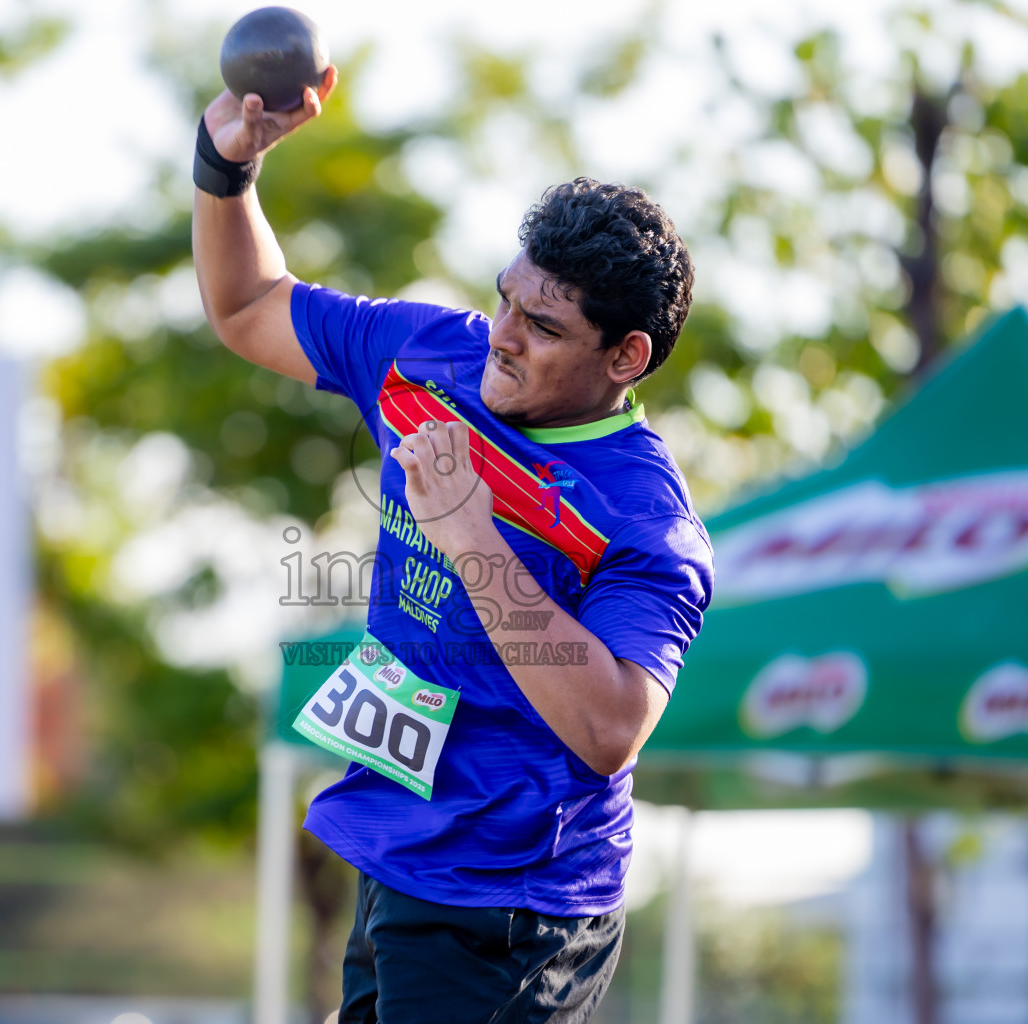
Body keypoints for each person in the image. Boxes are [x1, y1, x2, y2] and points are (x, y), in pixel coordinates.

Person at [193, 69, 714, 1024]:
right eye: (506, 299)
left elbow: (609, 729)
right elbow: (248, 308)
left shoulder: (646, 519)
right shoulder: (429, 354)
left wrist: (467, 529)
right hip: (394, 849)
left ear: (626, 357)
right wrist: (228, 174)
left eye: (543, 326)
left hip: (513, 907)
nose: (501, 338)